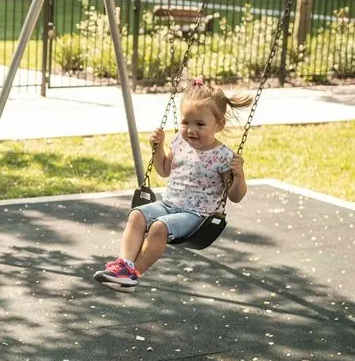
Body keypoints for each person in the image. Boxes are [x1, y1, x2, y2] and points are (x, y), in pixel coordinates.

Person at [95, 77, 251, 290]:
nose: (191, 130)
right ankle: (123, 265)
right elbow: (164, 170)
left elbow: (235, 196)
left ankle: (132, 275)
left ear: (219, 124)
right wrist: (157, 148)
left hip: (196, 216)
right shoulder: (179, 141)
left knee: (159, 227)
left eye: (200, 124)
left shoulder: (223, 157)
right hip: (169, 204)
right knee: (136, 215)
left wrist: (239, 174)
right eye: (186, 122)